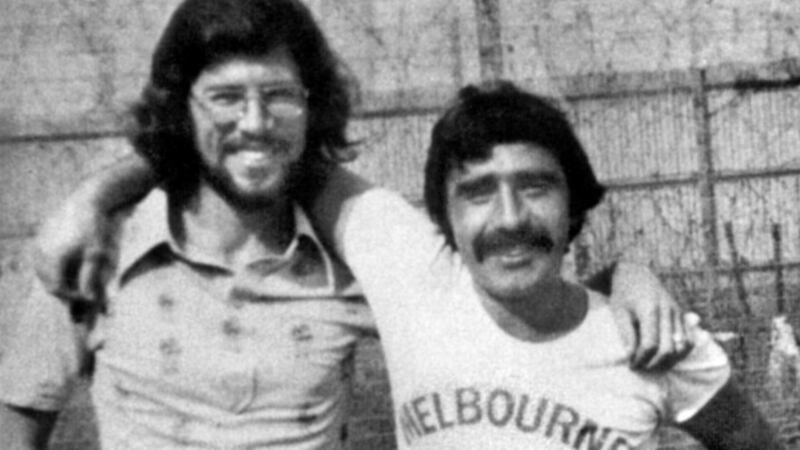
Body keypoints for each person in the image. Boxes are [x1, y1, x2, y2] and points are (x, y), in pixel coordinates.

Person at [7, 2, 692, 449]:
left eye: (278, 96)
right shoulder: (94, 249)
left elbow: (508, 287)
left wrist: (628, 277)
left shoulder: (361, 260)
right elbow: (18, 423)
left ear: (313, 109)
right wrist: (101, 192)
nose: (254, 122)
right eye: (224, 97)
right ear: (181, 109)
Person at [303, 81, 782, 449]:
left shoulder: (648, 338)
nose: (510, 218)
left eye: (536, 187)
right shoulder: (413, 273)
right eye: (478, 192)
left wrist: (627, 272)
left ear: (573, 205)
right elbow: (284, 153)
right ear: (443, 217)